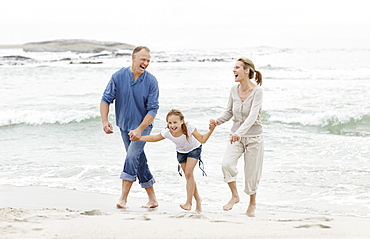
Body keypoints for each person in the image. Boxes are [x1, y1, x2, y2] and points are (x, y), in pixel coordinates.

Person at [100, 46, 159, 209]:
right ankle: (152, 199)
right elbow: (105, 99)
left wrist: (140, 129)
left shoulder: (151, 81)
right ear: (133, 58)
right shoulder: (118, 76)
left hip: (143, 127)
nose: (146, 63)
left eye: (148, 60)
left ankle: (123, 199)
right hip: (124, 126)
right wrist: (105, 121)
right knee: (139, 160)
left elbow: (153, 109)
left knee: (132, 157)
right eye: (143, 59)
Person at [134, 109, 216, 212]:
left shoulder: (189, 127)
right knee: (188, 176)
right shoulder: (167, 132)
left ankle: (189, 203)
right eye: (170, 123)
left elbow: (202, 139)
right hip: (181, 152)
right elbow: (154, 138)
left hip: (194, 149)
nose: (172, 125)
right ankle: (198, 199)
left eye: (175, 122)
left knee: (188, 173)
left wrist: (211, 130)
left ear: (182, 121)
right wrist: (139, 138)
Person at [211, 57, 264, 217]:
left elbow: (253, 116)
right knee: (226, 164)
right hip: (235, 136)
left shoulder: (257, 91)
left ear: (246, 70)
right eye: (233, 68)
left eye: (237, 68)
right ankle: (234, 196)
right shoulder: (234, 90)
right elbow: (229, 111)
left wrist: (238, 133)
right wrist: (217, 121)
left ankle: (252, 202)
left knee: (251, 174)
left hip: (254, 138)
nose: (233, 70)